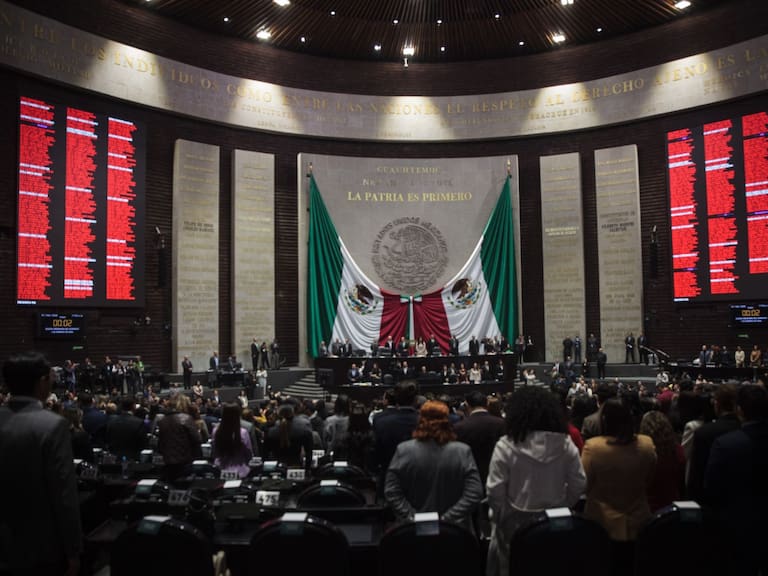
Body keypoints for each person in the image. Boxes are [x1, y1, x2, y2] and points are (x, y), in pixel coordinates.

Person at [486, 386, 586, 576]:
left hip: (513, 529)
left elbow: (494, 492)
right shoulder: (565, 444)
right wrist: (561, 506)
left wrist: (506, 515)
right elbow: (579, 484)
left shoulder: (505, 445)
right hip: (554, 526)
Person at [0, 351, 82, 576]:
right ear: (42, 382)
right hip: (39, 548)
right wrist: (73, 550)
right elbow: (63, 493)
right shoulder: (53, 426)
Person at [385, 400, 483, 532]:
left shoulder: (403, 450)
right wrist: (446, 520)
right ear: (446, 421)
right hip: (455, 532)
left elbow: (392, 492)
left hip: (412, 532)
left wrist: (414, 518)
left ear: (420, 420)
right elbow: (474, 493)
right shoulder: (462, 451)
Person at [582, 398, 656, 572]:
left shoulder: (593, 447)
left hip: (601, 524)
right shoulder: (647, 444)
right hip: (639, 521)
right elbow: (649, 479)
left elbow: (584, 485)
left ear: (605, 421)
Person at [453, 390, 506, 490]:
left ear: (467, 405)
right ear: (486, 404)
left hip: (469, 478)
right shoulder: (501, 424)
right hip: (498, 475)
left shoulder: (459, 427)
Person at [212, 403, 254, 478]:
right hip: (241, 472)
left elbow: (215, 452)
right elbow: (249, 455)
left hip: (220, 470)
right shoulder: (243, 432)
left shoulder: (215, 431)